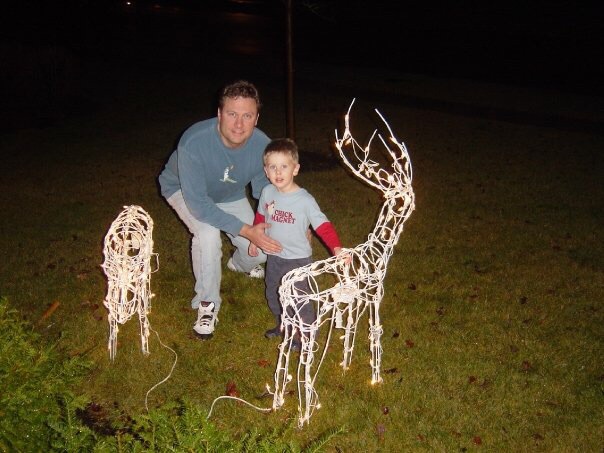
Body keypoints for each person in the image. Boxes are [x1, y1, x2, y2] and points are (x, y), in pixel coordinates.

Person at [158, 80, 282, 340]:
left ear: (256, 118)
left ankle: (238, 264)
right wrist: (246, 230)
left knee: (262, 249)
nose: (239, 124)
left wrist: (288, 220)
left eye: (247, 116)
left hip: (229, 194)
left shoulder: (262, 145)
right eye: (232, 114)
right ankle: (207, 303)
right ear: (219, 114)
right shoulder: (194, 142)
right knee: (207, 235)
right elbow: (199, 206)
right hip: (184, 190)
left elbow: (267, 192)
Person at [249, 138, 345, 351]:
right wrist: (255, 237)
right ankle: (284, 325)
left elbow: (323, 226)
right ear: (266, 171)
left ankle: (306, 335)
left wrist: (336, 248)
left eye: (284, 166)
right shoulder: (267, 192)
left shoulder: (305, 201)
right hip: (274, 257)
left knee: (299, 299)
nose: (278, 172)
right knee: (274, 293)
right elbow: (261, 216)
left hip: (298, 260)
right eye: (272, 167)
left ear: (296, 169)